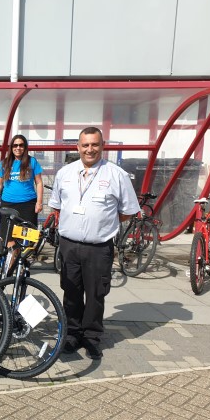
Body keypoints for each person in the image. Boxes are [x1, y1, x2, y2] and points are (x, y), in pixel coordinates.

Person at [48, 127, 139, 360]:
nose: (90, 149)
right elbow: (57, 206)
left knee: (96, 294)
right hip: (68, 244)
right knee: (71, 292)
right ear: (77, 147)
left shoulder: (116, 175)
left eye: (94, 144)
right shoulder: (65, 173)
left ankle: (91, 337)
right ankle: (71, 335)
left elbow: (127, 211)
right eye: (85, 145)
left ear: (102, 146)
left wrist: (102, 223)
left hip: (99, 248)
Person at [0, 134, 44, 240]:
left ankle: (22, 256)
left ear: (25, 147)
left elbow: (39, 183)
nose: (18, 148)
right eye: (15, 145)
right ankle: (12, 256)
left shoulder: (32, 161)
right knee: (8, 237)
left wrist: (39, 202)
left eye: (21, 145)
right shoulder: (5, 163)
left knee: (27, 237)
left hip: (28, 205)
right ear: (11, 148)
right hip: (8, 204)